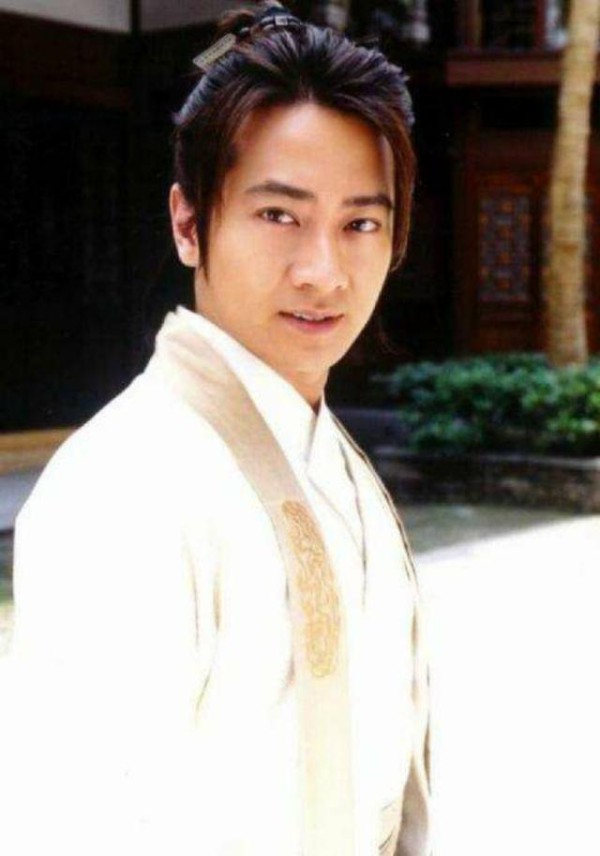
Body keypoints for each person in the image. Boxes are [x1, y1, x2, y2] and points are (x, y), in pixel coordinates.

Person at [4, 3, 430, 855]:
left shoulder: (329, 454)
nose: (323, 271)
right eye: (279, 215)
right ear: (188, 222)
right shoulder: (125, 487)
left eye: (360, 223)